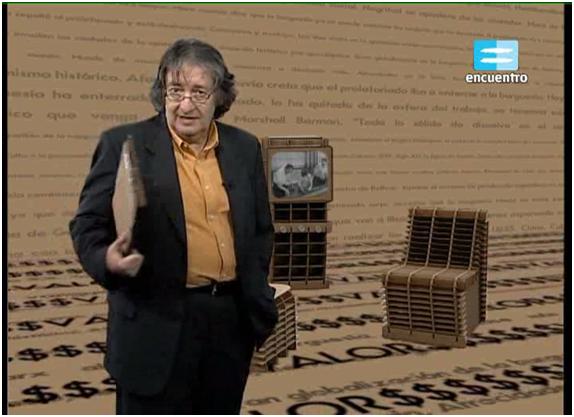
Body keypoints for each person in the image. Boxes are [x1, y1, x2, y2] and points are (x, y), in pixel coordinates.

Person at [69, 38, 278, 415]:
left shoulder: (245, 148)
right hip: (154, 325)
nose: (185, 104)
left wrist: (257, 293)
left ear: (220, 96)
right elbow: (87, 224)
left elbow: (261, 230)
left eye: (199, 92)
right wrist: (107, 261)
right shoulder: (123, 144)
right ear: (161, 93)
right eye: (175, 91)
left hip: (229, 325)